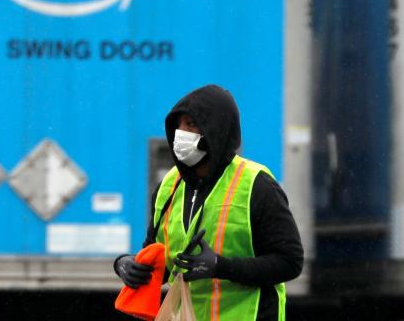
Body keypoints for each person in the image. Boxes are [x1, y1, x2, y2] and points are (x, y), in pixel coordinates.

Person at [115, 84, 303, 320]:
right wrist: (127, 264)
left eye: (192, 124)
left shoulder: (257, 184)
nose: (181, 133)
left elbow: (290, 262)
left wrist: (220, 266)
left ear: (216, 130)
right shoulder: (169, 185)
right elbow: (160, 259)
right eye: (179, 125)